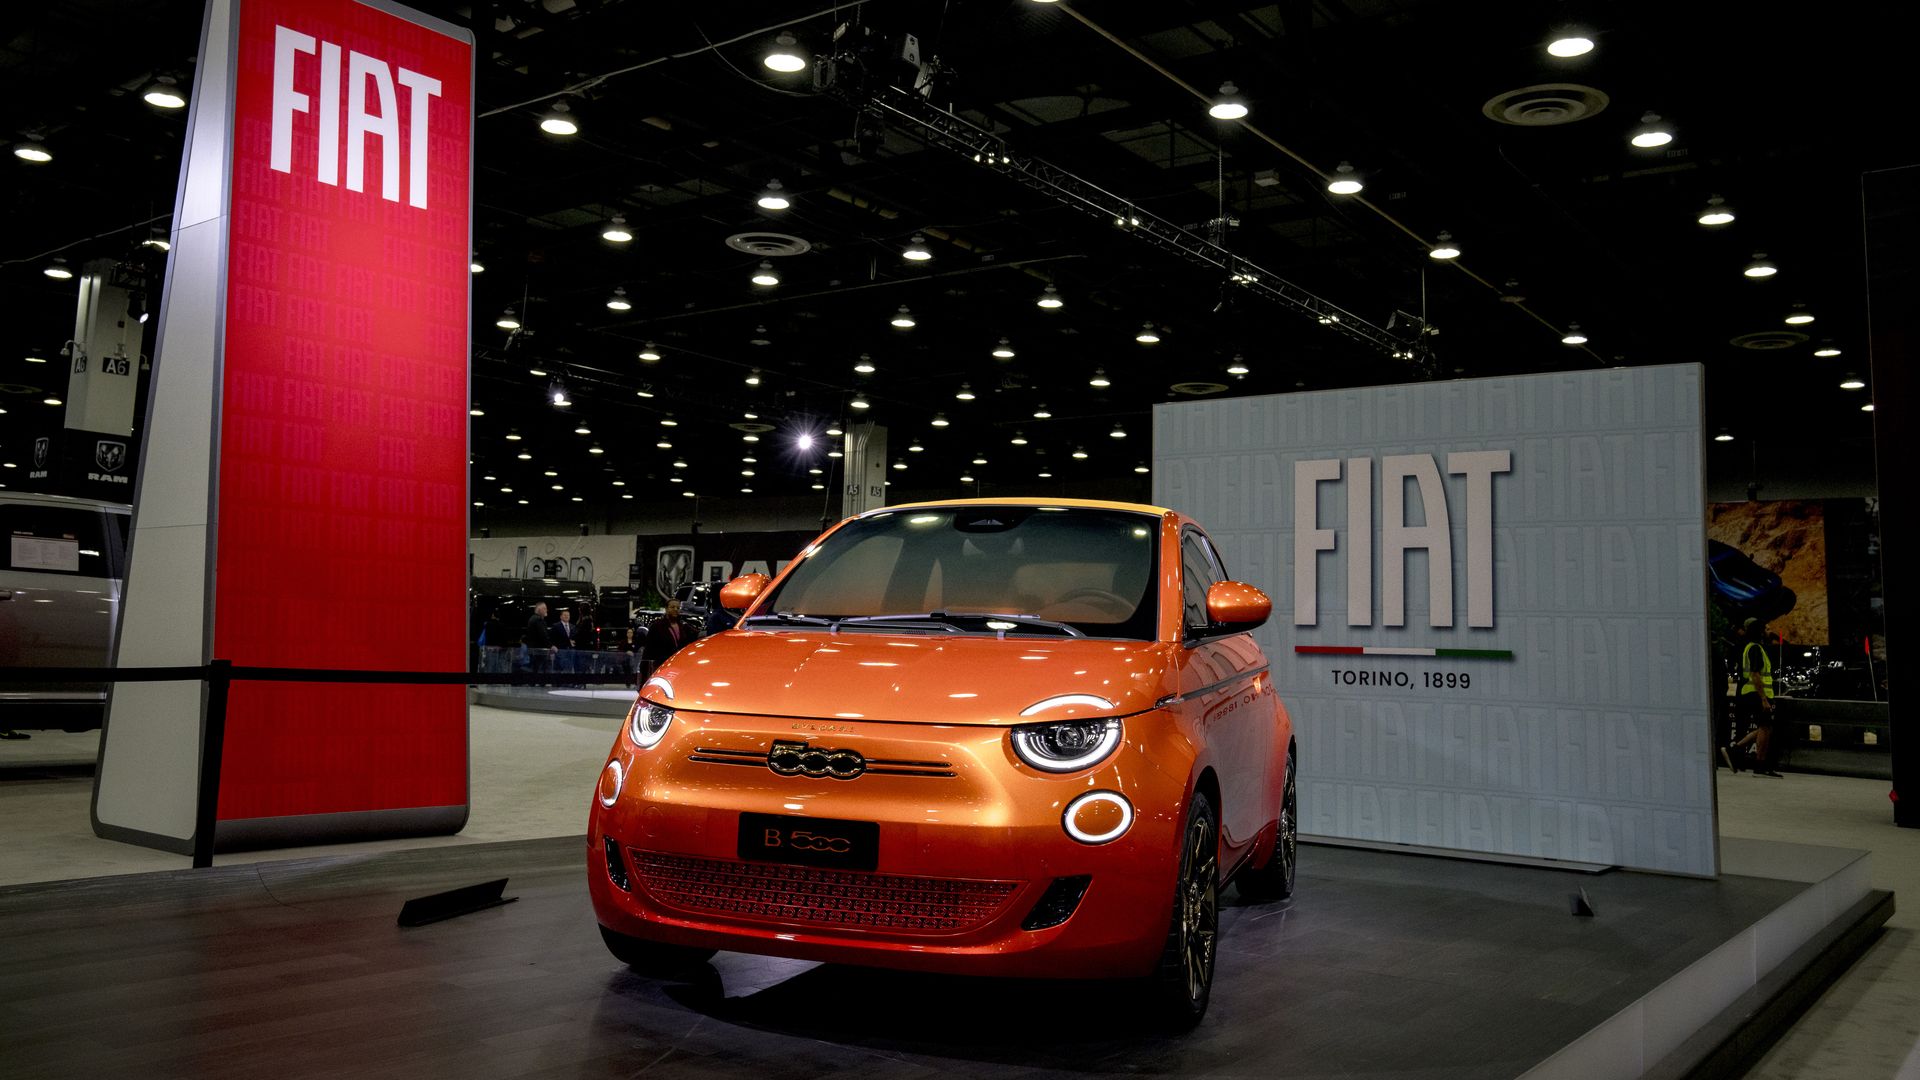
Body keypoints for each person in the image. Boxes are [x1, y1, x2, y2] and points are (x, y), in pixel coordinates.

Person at [1722, 617, 1780, 776]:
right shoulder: (1755, 648)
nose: (1769, 632)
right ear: (1759, 632)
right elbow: (1755, 674)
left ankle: (1735, 750)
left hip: (1753, 693)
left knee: (1765, 727)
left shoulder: (1752, 647)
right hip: (1756, 694)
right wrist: (1763, 699)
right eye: (1766, 629)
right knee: (1765, 727)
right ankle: (1759, 764)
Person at [641, 599, 699, 680]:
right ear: (666, 609)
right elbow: (648, 650)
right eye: (672, 607)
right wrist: (644, 671)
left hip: (679, 666)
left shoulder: (684, 627)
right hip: (661, 666)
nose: (675, 609)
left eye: (678, 608)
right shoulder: (657, 626)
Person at [524, 601, 554, 677]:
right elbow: (543, 635)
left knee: (535, 670)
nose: (546, 610)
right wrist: (551, 646)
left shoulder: (532, 618)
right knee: (540, 671)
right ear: (539, 609)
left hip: (534, 651)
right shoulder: (538, 620)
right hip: (539, 651)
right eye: (544, 608)